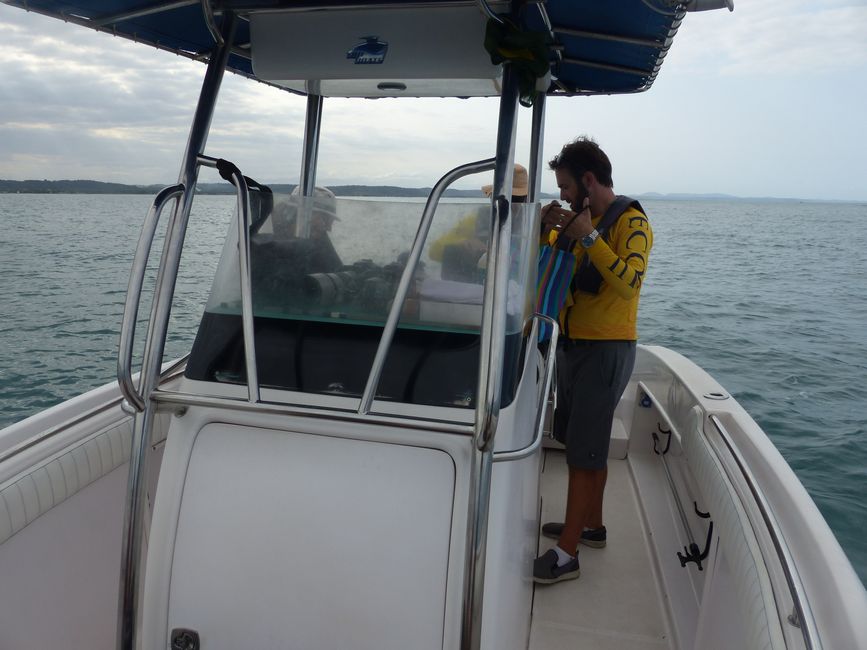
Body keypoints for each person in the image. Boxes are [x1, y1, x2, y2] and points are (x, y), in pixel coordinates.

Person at [533, 136, 653, 584]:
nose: (562, 194)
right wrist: (546, 227)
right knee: (585, 443)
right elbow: (557, 259)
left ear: (588, 180)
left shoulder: (632, 222)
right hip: (575, 345)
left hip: (606, 351)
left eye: (565, 186)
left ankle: (567, 554)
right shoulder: (586, 219)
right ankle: (590, 526)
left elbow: (629, 283)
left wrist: (590, 236)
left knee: (583, 455)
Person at [428, 163, 529, 281]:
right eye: (503, 198)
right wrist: (465, 243)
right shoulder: (477, 219)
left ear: (526, 200)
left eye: (517, 199)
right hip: (476, 287)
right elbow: (434, 251)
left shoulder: (534, 224)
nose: (509, 204)